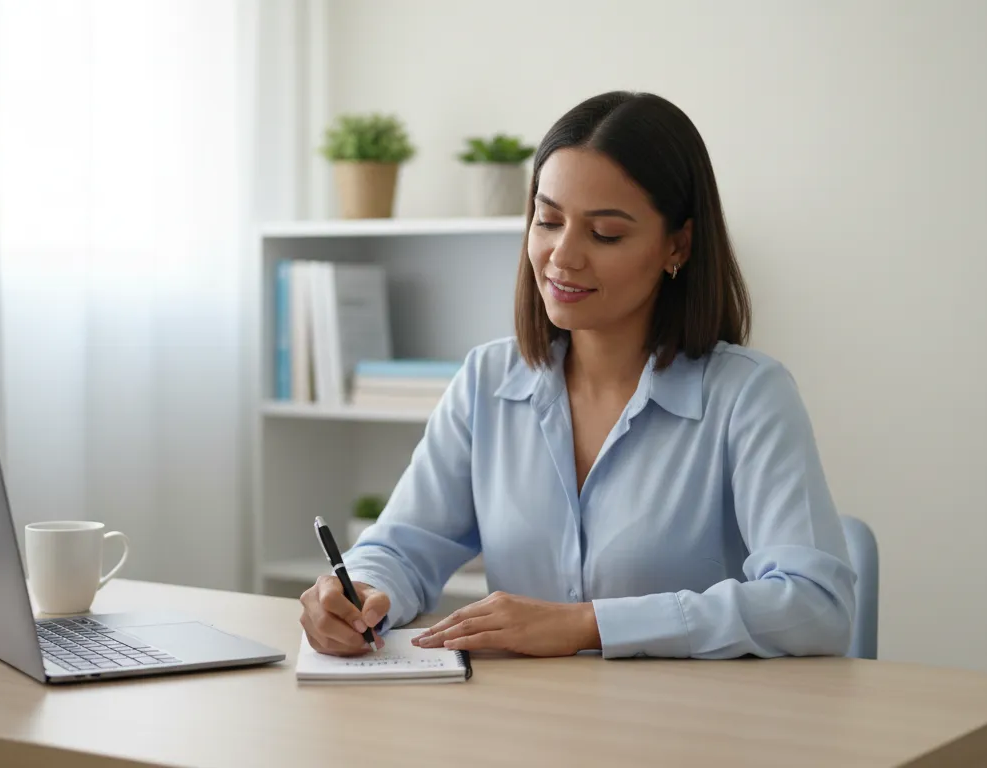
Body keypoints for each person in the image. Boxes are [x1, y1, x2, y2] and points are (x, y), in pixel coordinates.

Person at [298, 91, 855, 660]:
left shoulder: (749, 395)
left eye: (605, 233)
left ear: (678, 244)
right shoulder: (486, 380)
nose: (562, 256)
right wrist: (360, 591)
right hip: (527, 712)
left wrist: (592, 625)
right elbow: (403, 547)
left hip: (686, 715)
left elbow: (816, 604)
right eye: (548, 221)